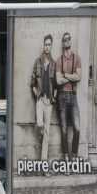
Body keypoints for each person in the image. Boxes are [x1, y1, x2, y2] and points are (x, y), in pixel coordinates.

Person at [30, 34, 57, 162]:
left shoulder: (54, 64)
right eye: (45, 44)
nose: (47, 47)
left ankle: (43, 161)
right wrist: (37, 95)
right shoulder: (38, 62)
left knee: (47, 133)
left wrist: (54, 97)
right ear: (44, 45)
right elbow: (32, 82)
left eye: (49, 44)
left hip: (49, 102)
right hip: (40, 100)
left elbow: (56, 84)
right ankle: (42, 158)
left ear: (51, 46)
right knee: (40, 124)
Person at [55, 32, 82, 158]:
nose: (67, 41)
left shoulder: (77, 58)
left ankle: (74, 155)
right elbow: (58, 80)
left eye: (69, 39)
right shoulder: (59, 60)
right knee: (64, 129)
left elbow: (79, 76)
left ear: (70, 41)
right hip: (61, 97)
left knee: (77, 128)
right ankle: (66, 157)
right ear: (62, 43)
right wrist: (72, 78)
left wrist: (65, 75)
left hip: (73, 96)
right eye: (65, 39)